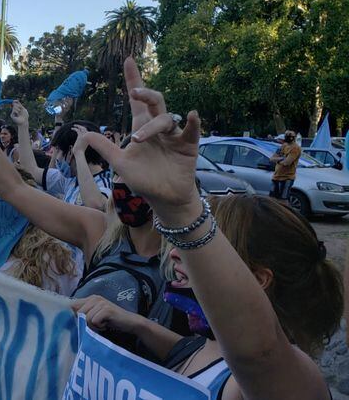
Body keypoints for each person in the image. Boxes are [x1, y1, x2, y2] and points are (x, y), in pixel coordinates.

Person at [66, 62, 342, 397]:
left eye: (205, 247)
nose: (177, 254)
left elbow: (257, 354)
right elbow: (190, 354)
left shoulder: (283, 380)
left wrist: (182, 212)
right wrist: (136, 323)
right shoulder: (210, 346)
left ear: (256, 280)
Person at [0, 65, 168, 347]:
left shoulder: (187, 254)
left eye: (144, 175)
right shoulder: (97, 230)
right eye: (122, 174)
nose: (131, 185)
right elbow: (13, 187)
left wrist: (139, 327)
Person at [12, 100, 111, 208]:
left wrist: (79, 153)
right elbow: (30, 170)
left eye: (58, 150)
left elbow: (95, 204)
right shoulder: (69, 179)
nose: (56, 157)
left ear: (70, 151)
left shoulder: (105, 183)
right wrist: (23, 125)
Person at [270, 130, 301, 200]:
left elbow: (287, 163)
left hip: (287, 178)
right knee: (273, 199)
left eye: (290, 136)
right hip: (276, 177)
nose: (287, 137)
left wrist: (278, 160)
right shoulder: (284, 145)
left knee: (283, 200)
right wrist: (282, 158)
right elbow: (271, 158)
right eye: (286, 135)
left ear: (293, 137)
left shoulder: (295, 148)